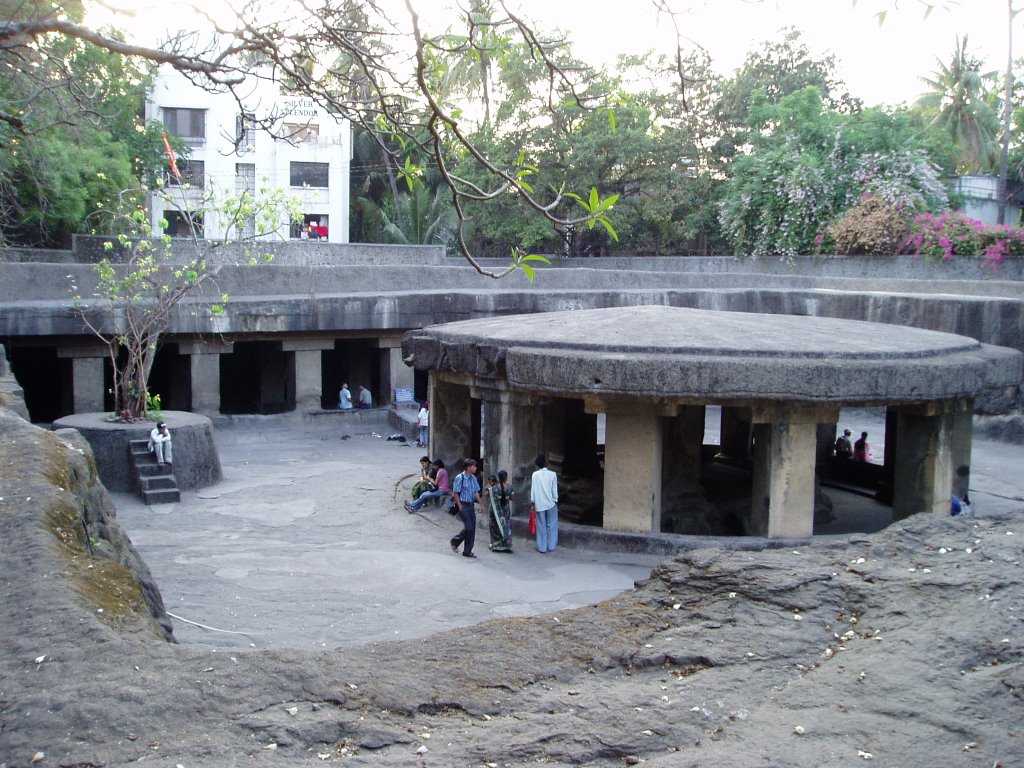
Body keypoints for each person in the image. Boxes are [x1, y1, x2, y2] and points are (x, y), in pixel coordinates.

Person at [450, 459, 481, 558]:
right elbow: (455, 493)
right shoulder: (460, 478)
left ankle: (467, 551)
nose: (475, 468)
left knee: (472, 529)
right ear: (468, 467)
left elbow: (476, 492)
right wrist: (459, 505)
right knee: (469, 527)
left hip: (471, 505)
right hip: (463, 504)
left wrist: (481, 504)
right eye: (474, 466)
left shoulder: (473, 478)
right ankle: (455, 540)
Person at [529, 454, 559, 553]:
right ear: (546, 464)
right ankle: (551, 546)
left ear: (537, 464)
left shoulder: (534, 475)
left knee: (541, 526)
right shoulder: (553, 474)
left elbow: (533, 491)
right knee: (552, 525)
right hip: (551, 503)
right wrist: (555, 500)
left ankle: (542, 547)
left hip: (539, 504)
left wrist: (533, 502)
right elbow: (554, 490)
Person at [486, 470, 514, 553]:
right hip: (505, 510)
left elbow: (486, 494)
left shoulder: (493, 488)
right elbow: (512, 498)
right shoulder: (510, 487)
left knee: (494, 526)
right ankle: (506, 545)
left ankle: (496, 545)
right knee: (505, 526)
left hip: (495, 510)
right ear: (506, 477)